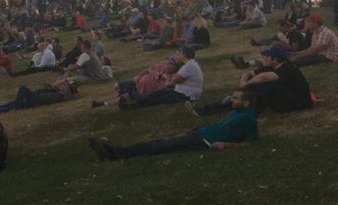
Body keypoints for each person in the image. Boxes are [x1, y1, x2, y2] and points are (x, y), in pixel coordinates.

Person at [89, 88, 258, 161]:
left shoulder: (248, 118)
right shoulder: (238, 111)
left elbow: (252, 142)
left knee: (159, 145)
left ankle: (114, 153)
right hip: (198, 135)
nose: (231, 99)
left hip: (203, 141)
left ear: (246, 102)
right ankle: (114, 152)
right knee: (161, 144)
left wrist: (226, 145)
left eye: (235, 98)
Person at [195, 46, 313, 115]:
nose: (263, 59)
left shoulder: (288, 67)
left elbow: (264, 77)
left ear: (275, 59)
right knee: (248, 90)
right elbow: (248, 73)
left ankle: (252, 111)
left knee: (263, 86)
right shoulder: (270, 66)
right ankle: (208, 109)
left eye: (266, 57)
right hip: (285, 97)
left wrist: (245, 86)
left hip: (299, 103)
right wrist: (243, 84)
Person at [118, 45, 202, 109]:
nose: (177, 57)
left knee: (159, 98)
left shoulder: (189, 66)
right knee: (157, 94)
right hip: (182, 92)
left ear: (184, 54)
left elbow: (175, 79)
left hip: (186, 95)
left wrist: (171, 81)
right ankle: (134, 100)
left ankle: (135, 103)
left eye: (179, 54)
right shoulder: (189, 65)